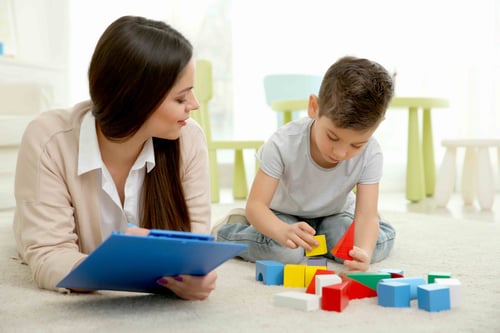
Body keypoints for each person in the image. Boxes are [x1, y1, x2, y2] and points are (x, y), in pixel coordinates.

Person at [12, 16, 216, 300]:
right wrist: (125, 260)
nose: (193, 105)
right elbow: (48, 255)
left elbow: (196, 247)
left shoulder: (188, 139)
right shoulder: (48, 140)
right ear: (136, 100)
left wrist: (193, 276)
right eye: (181, 99)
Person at [214, 56, 396, 272]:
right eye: (332, 137)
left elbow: (366, 215)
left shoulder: (371, 152)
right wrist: (280, 230)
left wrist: (363, 252)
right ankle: (229, 232)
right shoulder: (283, 143)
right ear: (314, 107)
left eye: (356, 145)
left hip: (334, 216)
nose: (340, 152)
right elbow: (255, 206)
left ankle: (363, 233)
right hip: (282, 215)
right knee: (286, 252)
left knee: (364, 248)